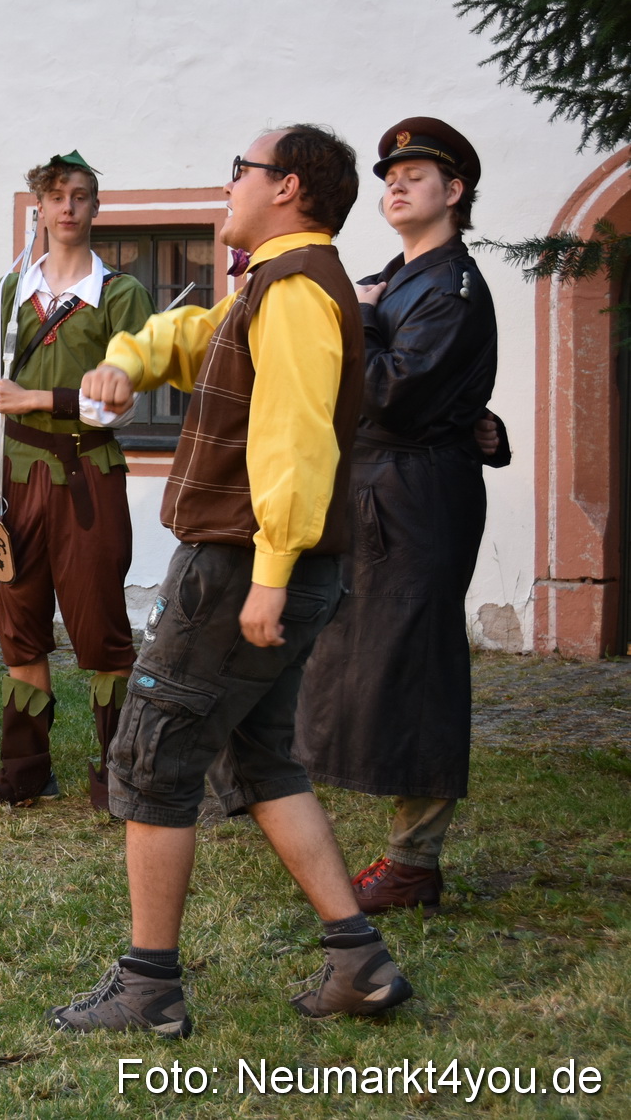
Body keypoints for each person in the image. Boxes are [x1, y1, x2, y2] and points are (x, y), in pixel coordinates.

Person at [54, 125, 413, 1037]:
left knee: (150, 758)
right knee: (263, 758)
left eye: (239, 172)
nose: (227, 186)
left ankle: (149, 987)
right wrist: (125, 359)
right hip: (270, 566)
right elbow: (191, 336)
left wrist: (270, 576)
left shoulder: (294, 291)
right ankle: (359, 961)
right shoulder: (271, 285)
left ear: (286, 187)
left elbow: (297, 442)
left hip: (244, 565)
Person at [293, 118, 510, 913]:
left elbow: (392, 391)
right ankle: (273, 796)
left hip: (416, 496)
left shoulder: (450, 287)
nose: (395, 184)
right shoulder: (398, 273)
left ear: (454, 193)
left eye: (415, 174)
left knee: (415, 664)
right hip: (374, 485)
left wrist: (354, 314)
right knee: (343, 654)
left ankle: (414, 859)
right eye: (390, 173)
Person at [0, 152, 153, 811]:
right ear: (37, 209)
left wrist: (37, 398)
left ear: (96, 209)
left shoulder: (121, 296)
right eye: (56, 196)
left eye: (81, 196)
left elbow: (118, 405)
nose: (68, 207)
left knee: (100, 629)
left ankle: (118, 774)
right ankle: (25, 770)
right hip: (13, 477)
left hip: (87, 477)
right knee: (18, 625)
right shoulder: (6, 296)